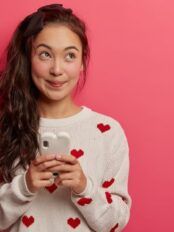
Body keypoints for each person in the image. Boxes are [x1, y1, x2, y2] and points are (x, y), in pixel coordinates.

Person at [0, 3, 131, 232]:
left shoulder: (107, 131)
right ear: (28, 59)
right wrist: (25, 186)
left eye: (70, 55)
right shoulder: (5, 126)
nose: (57, 69)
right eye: (45, 54)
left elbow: (116, 223)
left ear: (82, 63)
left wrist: (84, 187)